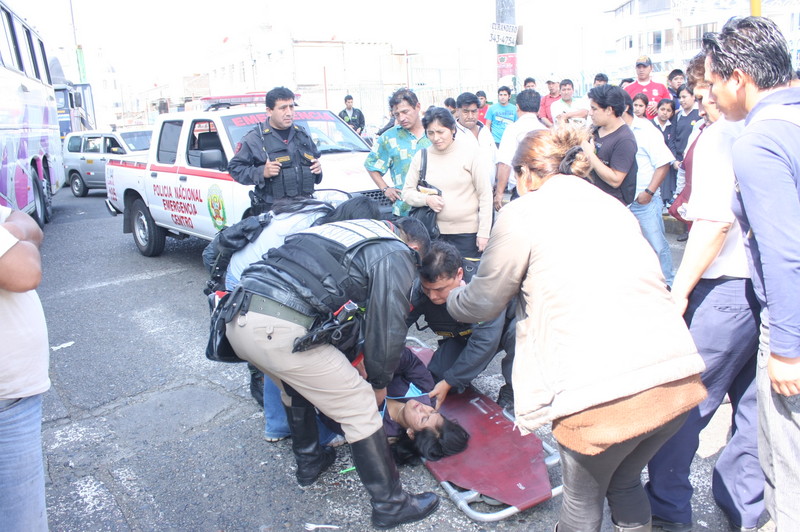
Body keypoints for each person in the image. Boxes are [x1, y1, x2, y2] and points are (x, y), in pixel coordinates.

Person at [446, 126, 706, 532]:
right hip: (674, 381)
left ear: (527, 174)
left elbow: (483, 300)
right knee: (623, 481)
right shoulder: (613, 206)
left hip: (599, 394)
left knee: (581, 502)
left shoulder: (522, 213)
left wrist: (451, 297)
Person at [224, 216, 437, 529]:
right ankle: (391, 504)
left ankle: (310, 462)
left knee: (294, 386)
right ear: (414, 247)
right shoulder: (394, 252)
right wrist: (378, 383)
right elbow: (389, 327)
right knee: (361, 404)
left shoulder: (347, 229)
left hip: (238, 320)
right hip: (279, 327)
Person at [645, 51, 764, 532]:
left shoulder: (722, 136)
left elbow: (714, 223)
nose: (704, 100)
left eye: (706, 89)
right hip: (764, 290)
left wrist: (679, 293)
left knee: (683, 406)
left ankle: (669, 512)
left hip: (723, 289)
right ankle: (743, 508)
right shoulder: (771, 129)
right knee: (752, 410)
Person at [704, 16, 800, 529]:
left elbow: (785, 254)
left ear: (739, 78)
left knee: (787, 471)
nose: (711, 93)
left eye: (715, 80)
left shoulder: (758, 142)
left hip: (791, 325)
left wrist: (787, 348)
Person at [224, 196, 380, 446]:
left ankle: (280, 427)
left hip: (254, 283)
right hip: (252, 284)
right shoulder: (315, 233)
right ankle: (284, 425)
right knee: (280, 349)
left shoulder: (322, 219)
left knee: (278, 357)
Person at [408, 240, 516, 409]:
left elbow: (484, 342)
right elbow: (397, 325)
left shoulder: (483, 286)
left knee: (519, 331)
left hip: (502, 329)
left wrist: (451, 380)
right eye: (427, 289)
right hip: (463, 335)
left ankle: (513, 392)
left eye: (439, 289)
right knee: (437, 380)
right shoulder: (420, 291)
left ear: (459, 274)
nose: (433, 297)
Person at [0, 206, 50, 531]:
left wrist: (12, 233)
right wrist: (13, 238)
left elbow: (30, 225)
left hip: (13, 398)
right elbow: (25, 270)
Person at [402, 107, 493, 259]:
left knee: (465, 280)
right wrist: (426, 200)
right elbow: (407, 192)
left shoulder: (471, 154)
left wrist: (484, 233)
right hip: (433, 234)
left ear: (452, 129)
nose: (436, 138)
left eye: (440, 132)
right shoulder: (422, 157)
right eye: (430, 133)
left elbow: (485, 194)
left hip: (468, 236)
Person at [228, 87, 322, 215]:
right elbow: (235, 169)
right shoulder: (254, 138)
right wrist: (261, 172)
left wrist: (318, 169)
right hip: (272, 212)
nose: (289, 112)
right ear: (269, 111)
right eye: (283, 108)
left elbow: (314, 161)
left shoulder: (302, 134)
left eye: (291, 107)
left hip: (304, 208)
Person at [621, 91, 675, 286]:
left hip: (644, 200)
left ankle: (668, 284)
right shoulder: (609, 130)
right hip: (621, 203)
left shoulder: (646, 130)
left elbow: (663, 163)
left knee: (657, 246)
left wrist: (649, 192)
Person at [365, 88, 431, 217]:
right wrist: (385, 188)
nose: (402, 118)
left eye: (405, 112)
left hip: (435, 209)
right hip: (404, 211)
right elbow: (370, 164)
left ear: (417, 107)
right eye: (397, 114)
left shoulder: (434, 132)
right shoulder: (389, 137)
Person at [582, 84, 638, 205]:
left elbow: (615, 180)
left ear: (609, 110)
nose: (590, 113)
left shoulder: (625, 139)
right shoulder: (594, 130)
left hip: (610, 206)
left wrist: (590, 155)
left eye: (594, 109)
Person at [494, 89, 545, 209]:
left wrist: (499, 193)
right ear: (538, 109)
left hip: (520, 191)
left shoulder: (513, 129)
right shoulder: (545, 130)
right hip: (542, 189)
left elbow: (505, 164)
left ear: (517, 107)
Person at [664, 84, 700, 204]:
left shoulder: (699, 114)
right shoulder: (678, 116)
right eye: (680, 97)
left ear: (693, 97)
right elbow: (672, 139)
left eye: (684, 97)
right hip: (678, 160)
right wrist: (674, 160)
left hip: (692, 159)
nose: (682, 100)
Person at [454, 92, 497, 186]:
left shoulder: (485, 130)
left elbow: (495, 158)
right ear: (458, 111)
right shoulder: (452, 134)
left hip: (490, 192)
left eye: (474, 111)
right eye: (466, 111)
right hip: (466, 196)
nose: (470, 116)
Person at [624, 56, 670, 120]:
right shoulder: (627, 89)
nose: (641, 70)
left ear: (651, 68)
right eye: (639, 67)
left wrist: (660, 106)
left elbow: (670, 106)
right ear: (635, 68)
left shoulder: (661, 87)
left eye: (644, 67)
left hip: (656, 126)